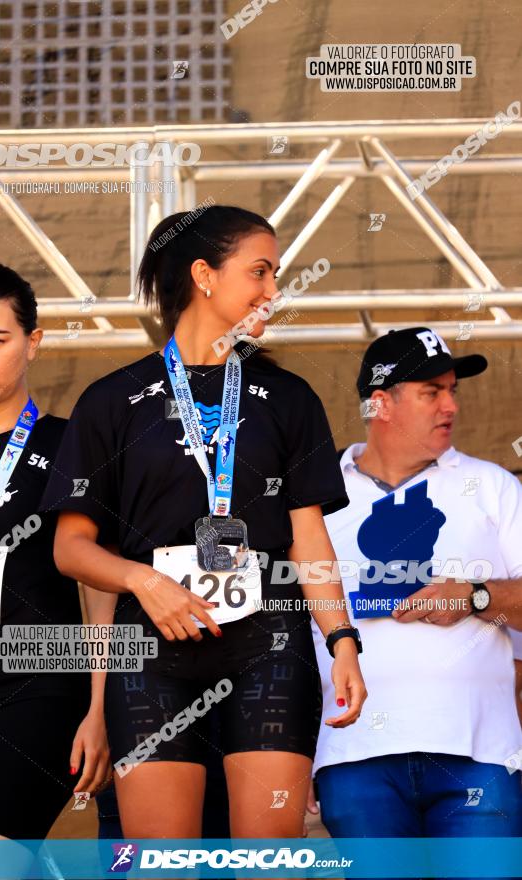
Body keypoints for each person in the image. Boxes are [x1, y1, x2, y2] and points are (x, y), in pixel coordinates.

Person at [40, 205, 367, 839]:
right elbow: (71, 549)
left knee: (265, 861)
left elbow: (309, 541)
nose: (274, 291)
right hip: (150, 651)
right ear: (204, 275)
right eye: (261, 272)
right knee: (163, 863)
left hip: (270, 642)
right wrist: (145, 581)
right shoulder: (111, 400)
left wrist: (343, 641)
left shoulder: (290, 399)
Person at [311, 326, 522, 842]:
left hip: (481, 754)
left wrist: (476, 597)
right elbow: (283, 634)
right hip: (352, 754)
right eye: (432, 392)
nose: (450, 405)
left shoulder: (492, 485)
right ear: (380, 404)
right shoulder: (315, 498)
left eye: (453, 390)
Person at [0, 265, 109, 853]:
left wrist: (103, 708)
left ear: (32, 343)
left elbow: (102, 586)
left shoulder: (71, 444)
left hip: (38, 687)